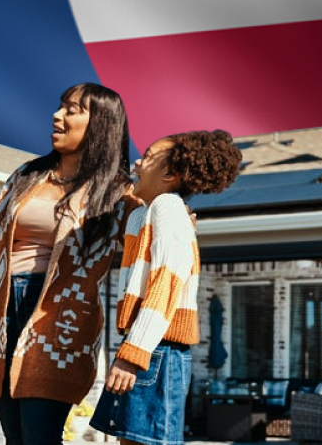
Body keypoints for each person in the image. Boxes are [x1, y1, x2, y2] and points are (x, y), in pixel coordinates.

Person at [0, 83, 133, 445]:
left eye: (73, 109)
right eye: (60, 106)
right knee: (15, 438)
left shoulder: (116, 191)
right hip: (2, 311)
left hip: (58, 320)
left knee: (39, 437)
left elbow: (149, 237)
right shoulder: (26, 175)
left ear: (100, 124)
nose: (58, 115)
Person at [89, 130, 241, 445]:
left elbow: (165, 285)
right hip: (148, 346)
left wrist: (133, 354)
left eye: (148, 156)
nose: (138, 161)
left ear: (170, 174)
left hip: (156, 350)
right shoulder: (147, 213)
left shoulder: (168, 208)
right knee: (129, 440)